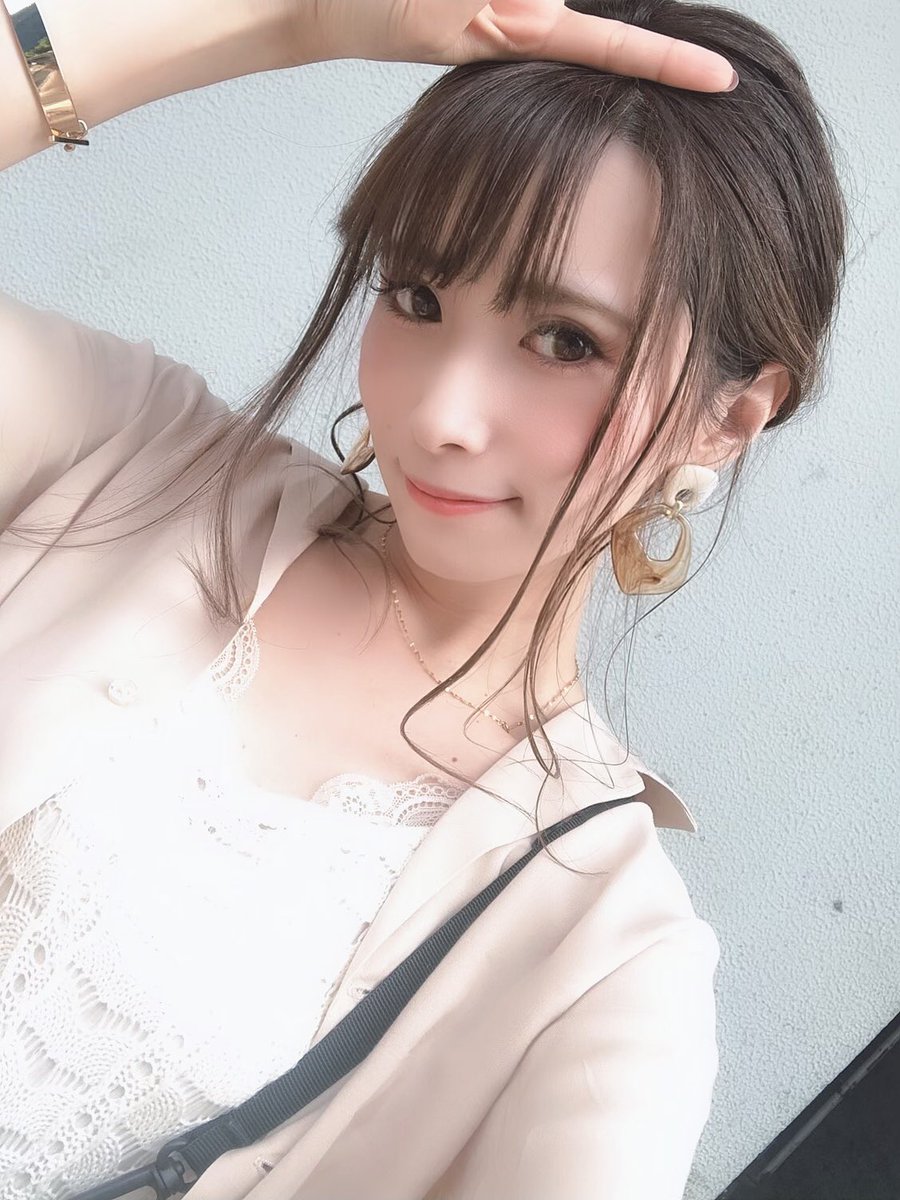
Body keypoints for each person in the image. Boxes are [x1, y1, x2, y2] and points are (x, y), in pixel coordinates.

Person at [0, 1, 847, 1198]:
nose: (442, 413)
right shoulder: (130, 460)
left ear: (728, 418)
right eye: (416, 296)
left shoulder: (604, 969)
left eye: (566, 341)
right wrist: (282, 20)